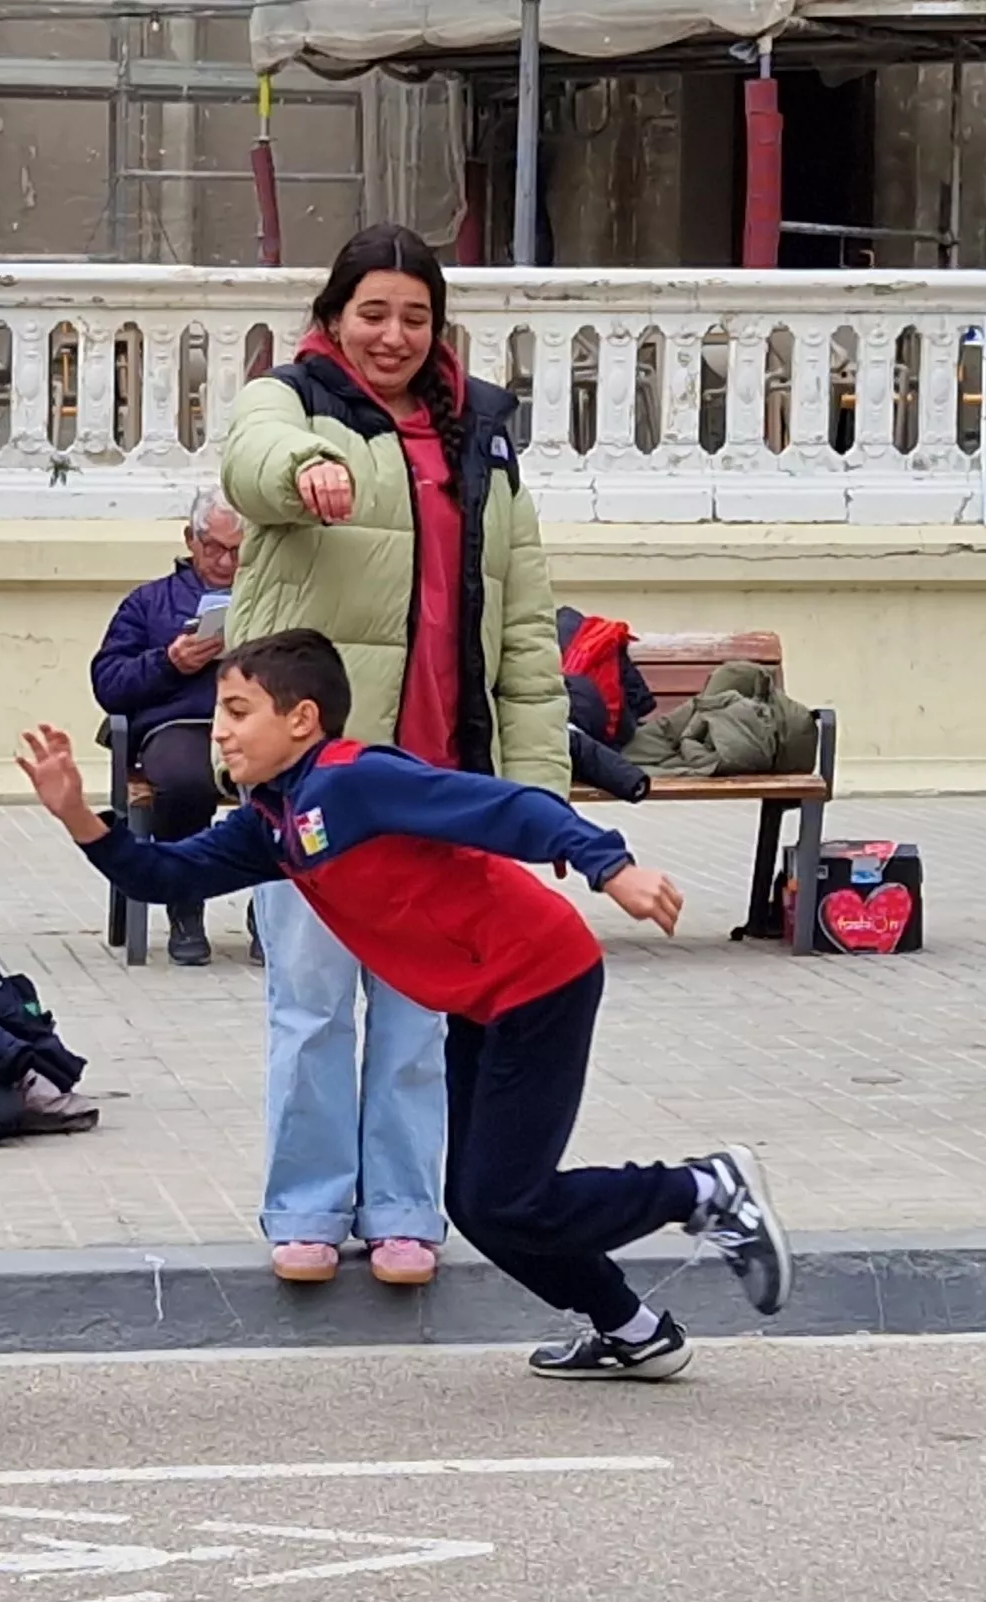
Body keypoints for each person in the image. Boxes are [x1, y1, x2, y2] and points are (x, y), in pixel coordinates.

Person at [17, 630, 789, 1379]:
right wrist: (76, 817)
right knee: (482, 1208)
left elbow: (507, 808)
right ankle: (634, 1331)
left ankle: (703, 1188)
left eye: (238, 710)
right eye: (219, 713)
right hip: (480, 999)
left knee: (511, 1199)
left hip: (539, 977)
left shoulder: (355, 781)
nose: (219, 732)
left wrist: (608, 865)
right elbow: (165, 877)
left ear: (303, 719)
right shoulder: (274, 823)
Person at [214, 222, 570, 1288]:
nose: (393, 335)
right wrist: (307, 467)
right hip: (319, 784)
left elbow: (521, 626)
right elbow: (252, 463)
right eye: (372, 313)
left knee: (422, 1012)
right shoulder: (293, 402)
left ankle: (407, 1209)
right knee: (313, 1006)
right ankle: (309, 1208)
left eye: (413, 316)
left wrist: (539, 796)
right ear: (333, 318)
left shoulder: (483, 438)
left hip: (438, 781)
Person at [90, 485, 246, 966]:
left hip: (253, 724)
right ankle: (185, 904)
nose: (224, 562)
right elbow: (108, 681)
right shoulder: (149, 602)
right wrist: (168, 662)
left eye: (237, 551)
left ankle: (272, 913)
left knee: (286, 781)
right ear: (190, 540)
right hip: (179, 724)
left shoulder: (270, 596)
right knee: (181, 781)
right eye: (213, 547)